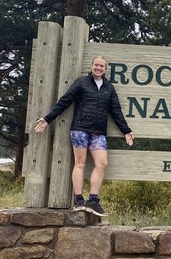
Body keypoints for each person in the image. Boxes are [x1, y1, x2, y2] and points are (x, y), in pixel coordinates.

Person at [34, 56, 134, 217]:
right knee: (80, 163)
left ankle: (93, 201)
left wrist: (126, 130)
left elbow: (116, 111)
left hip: (98, 132)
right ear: (91, 66)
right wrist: (47, 119)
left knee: (102, 164)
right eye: (96, 65)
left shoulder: (109, 88)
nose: (98, 68)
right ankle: (79, 200)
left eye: (102, 66)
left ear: (105, 69)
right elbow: (65, 101)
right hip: (80, 129)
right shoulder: (81, 82)